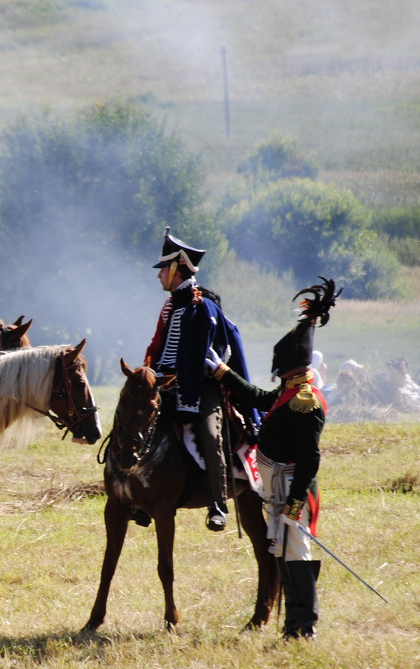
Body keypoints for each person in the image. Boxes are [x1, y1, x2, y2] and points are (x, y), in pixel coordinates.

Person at [205, 277, 340, 640]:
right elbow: (264, 400)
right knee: (283, 551)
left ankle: (303, 627)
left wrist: (295, 503)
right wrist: (224, 373)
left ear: (293, 368)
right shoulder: (291, 389)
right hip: (278, 484)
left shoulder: (305, 401)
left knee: (297, 553)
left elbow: (309, 459)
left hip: (294, 487)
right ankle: (291, 625)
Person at [144, 227, 252, 532]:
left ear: (176, 268)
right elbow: (157, 345)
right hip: (165, 383)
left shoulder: (203, 307)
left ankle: (218, 503)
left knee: (208, 433)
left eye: (162, 269)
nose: (158, 276)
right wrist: (148, 374)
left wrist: (186, 393)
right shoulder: (170, 306)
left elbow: (206, 356)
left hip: (201, 387)